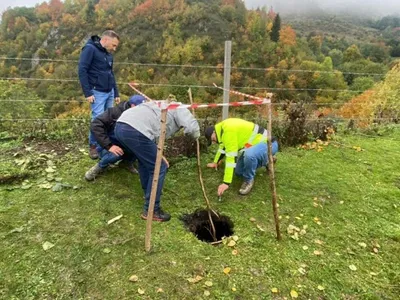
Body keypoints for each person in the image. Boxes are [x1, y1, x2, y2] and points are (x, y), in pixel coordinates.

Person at [115, 101, 200, 222]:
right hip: (135, 130)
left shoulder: (161, 104)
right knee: (160, 167)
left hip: (121, 126)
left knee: (145, 162)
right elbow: (192, 128)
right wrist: (197, 138)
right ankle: (152, 210)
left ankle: (149, 195)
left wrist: (158, 153)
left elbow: (152, 132)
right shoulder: (180, 108)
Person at [205, 118, 278, 196]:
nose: (214, 142)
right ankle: (267, 160)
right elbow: (223, 148)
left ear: (214, 132)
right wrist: (215, 162)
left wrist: (226, 183)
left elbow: (231, 158)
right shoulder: (222, 129)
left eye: (212, 139)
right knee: (239, 172)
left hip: (269, 143)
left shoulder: (228, 131)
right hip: (254, 146)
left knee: (249, 155)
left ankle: (248, 180)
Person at [78, 30, 121, 159]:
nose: (114, 48)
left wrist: (116, 92)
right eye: (113, 45)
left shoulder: (108, 55)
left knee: (109, 120)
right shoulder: (90, 49)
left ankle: (105, 145)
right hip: (97, 92)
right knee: (97, 119)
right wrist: (88, 92)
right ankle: (93, 146)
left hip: (109, 92)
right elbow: (82, 70)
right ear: (106, 40)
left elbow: (110, 74)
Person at [84, 95, 146, 181]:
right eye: (140, 108)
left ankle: (126, 163)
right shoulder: (115, 112)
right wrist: (109, 146)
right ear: (133, 106)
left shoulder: (139, 115)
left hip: (126, 142)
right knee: (116, 154)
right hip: (111, 143)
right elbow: (95, 125)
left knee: (139, 147)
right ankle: (99, 167)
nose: (143, 111)